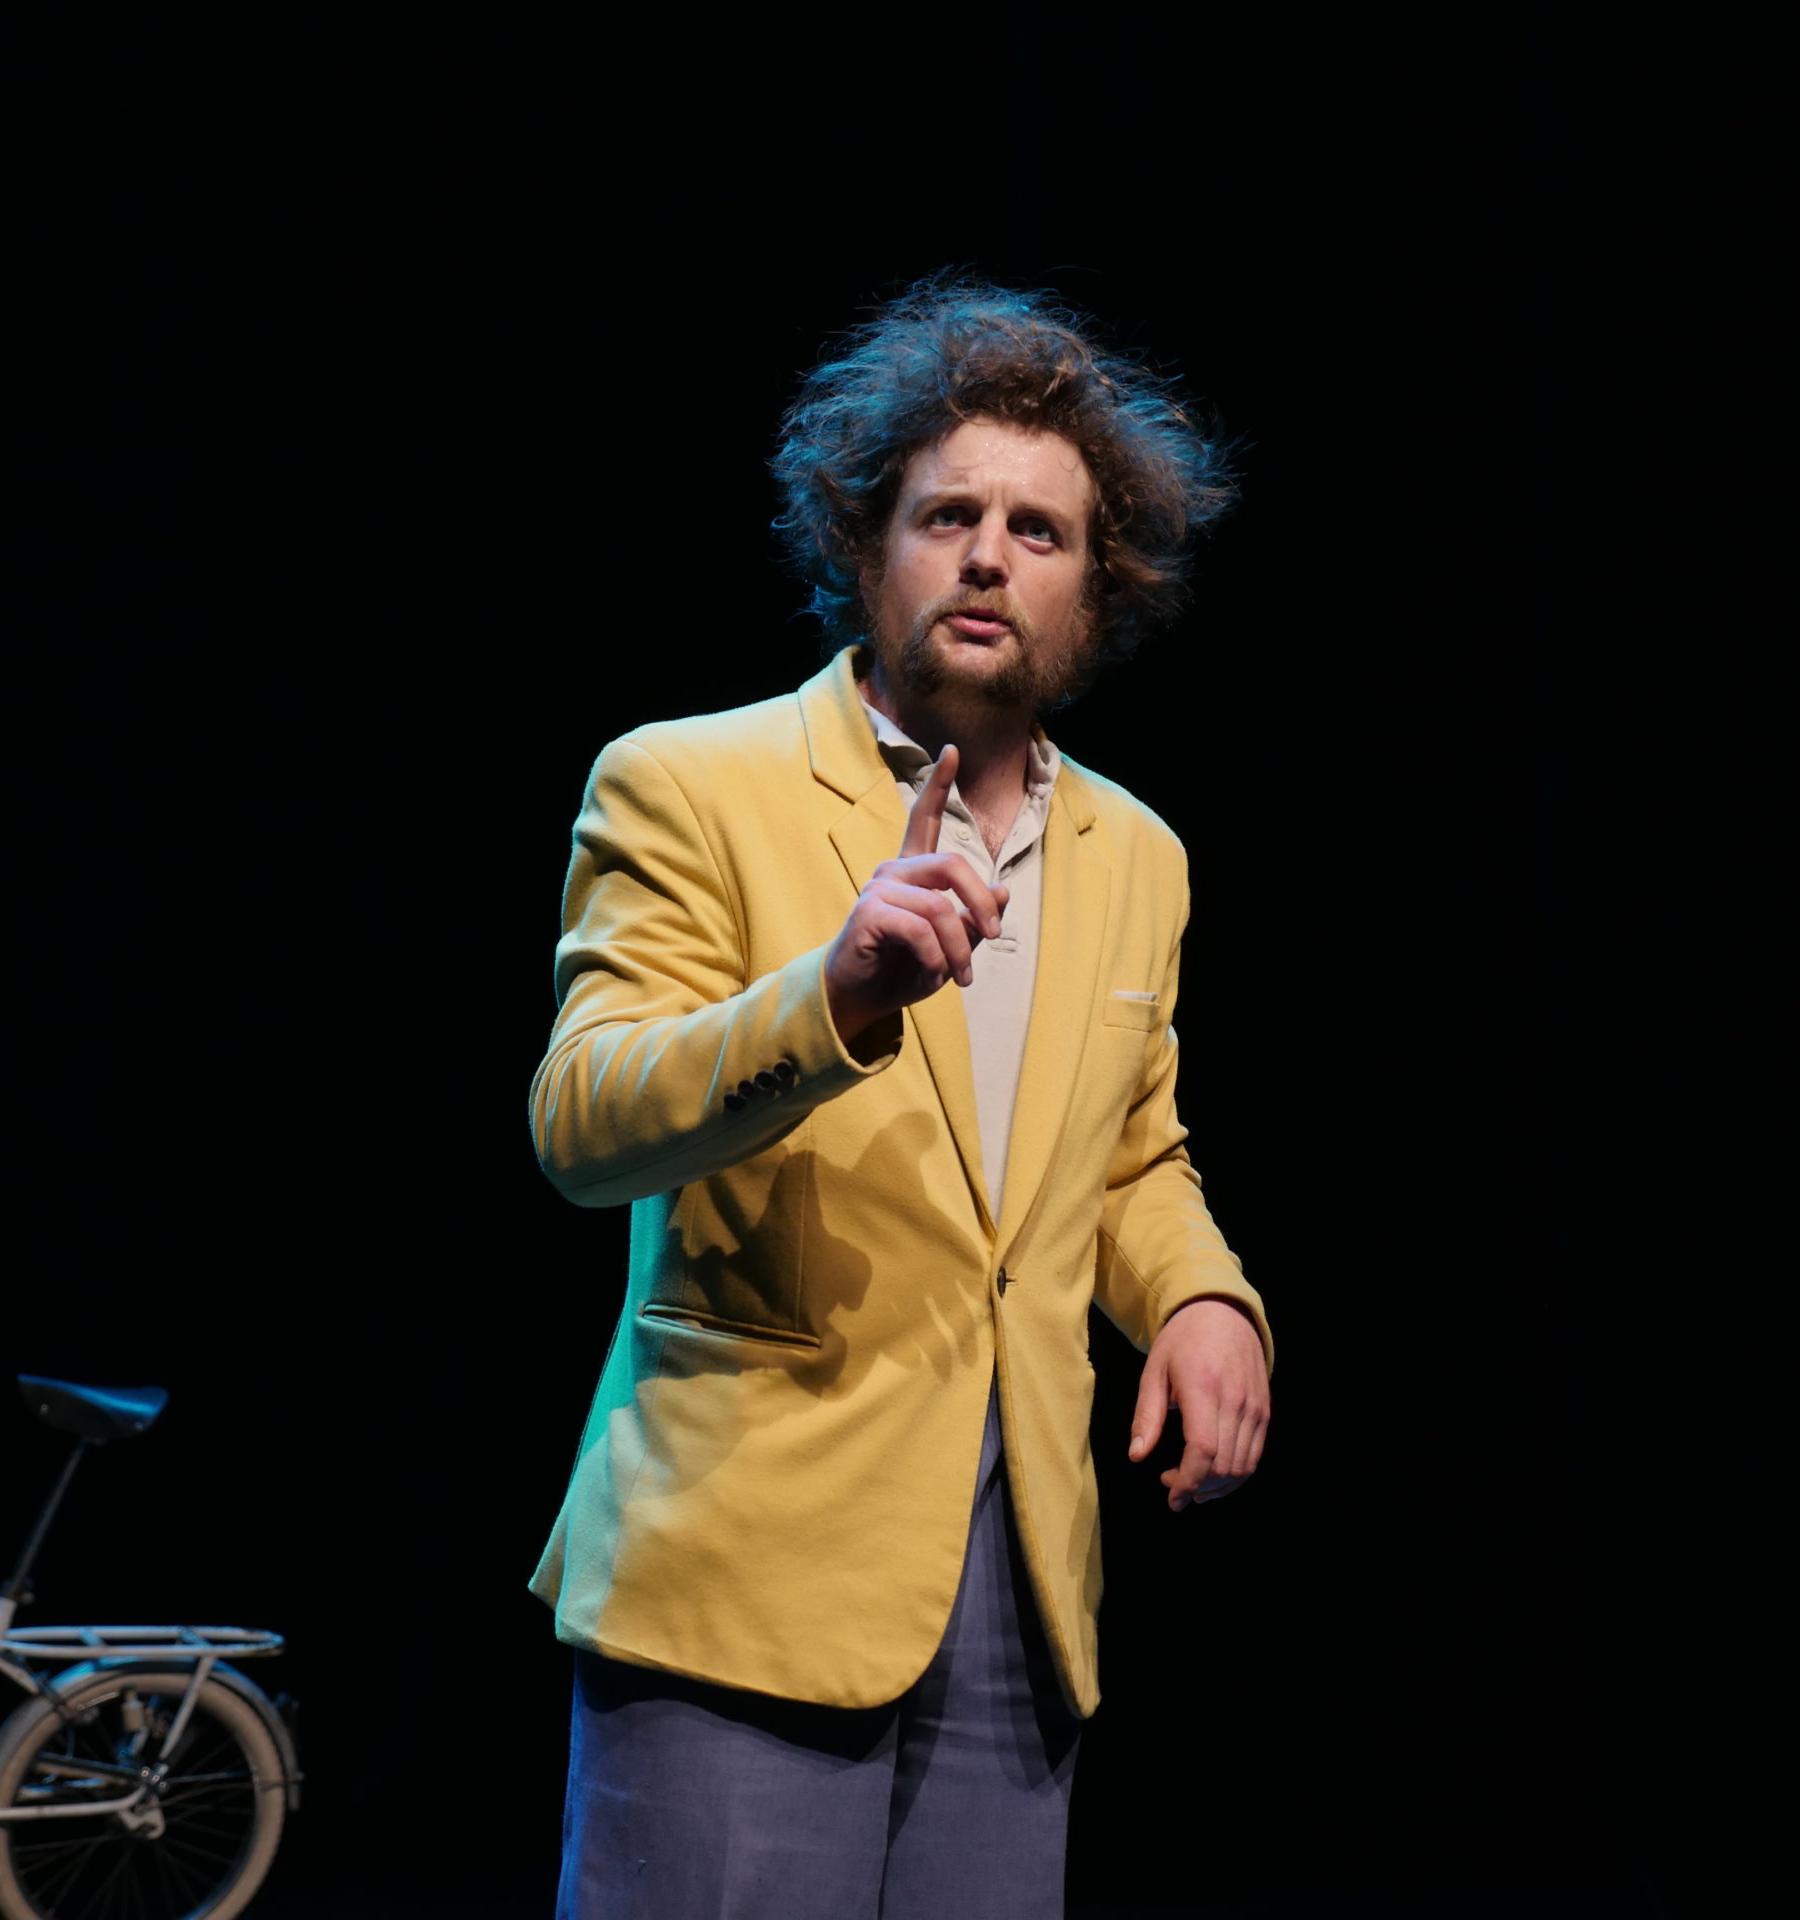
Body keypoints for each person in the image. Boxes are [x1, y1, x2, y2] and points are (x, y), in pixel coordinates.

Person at [528, 275, 1273, 1919]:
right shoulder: (689, 783)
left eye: (1039, 530)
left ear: (1098, 589)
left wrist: (1203, 1299)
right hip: (744, 1572)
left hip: (1016, 1602)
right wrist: (836, 995)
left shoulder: (1138, 856)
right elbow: (585, 1124)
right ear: (870, 550)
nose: (990, 555)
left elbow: (1127, 1156)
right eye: (949, 516)